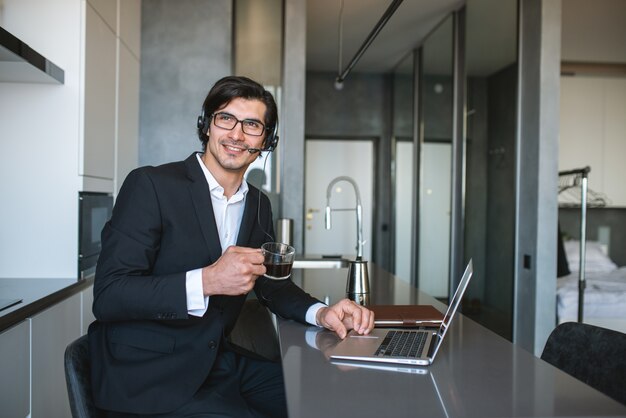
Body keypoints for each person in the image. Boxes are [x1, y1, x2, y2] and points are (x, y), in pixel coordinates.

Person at [88, 75, 375, 418]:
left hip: (217, 362)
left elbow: (269, 284)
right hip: (147, 375)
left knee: (321, 399)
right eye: (226, 118)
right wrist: (208, 280)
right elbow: (109, 295)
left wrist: (321, 313)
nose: (237, 134)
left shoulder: (257, 204)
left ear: (266, 141)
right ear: (207, 125)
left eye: (252, 125)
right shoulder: (150, 185)